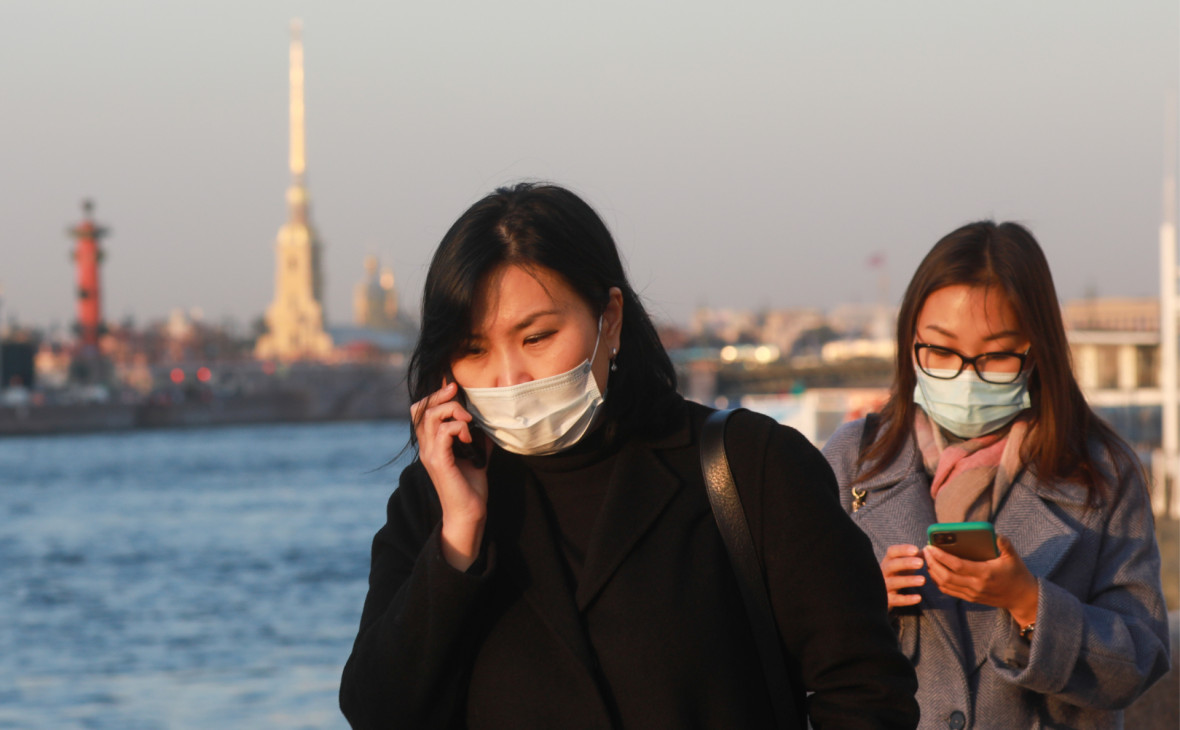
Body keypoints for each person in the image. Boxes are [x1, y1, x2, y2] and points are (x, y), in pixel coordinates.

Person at [340, 182, 919, 729]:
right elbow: (379, 711)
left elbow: (866, 690)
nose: (510, 376)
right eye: (473, 349)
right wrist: (458, 540)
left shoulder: (748, 467)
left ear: (608, 319)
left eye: (536, 337)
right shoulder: (433, 503)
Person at [822, 221, 1171, 729]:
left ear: (1036, 354)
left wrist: (1029, 602)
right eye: (940, 351)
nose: (966, 376)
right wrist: (864, 604)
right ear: (909, 344)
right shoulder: (854, 459)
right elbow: (781, 640)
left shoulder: (1100, 473)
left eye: (997, 357)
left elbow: (1140, 660)